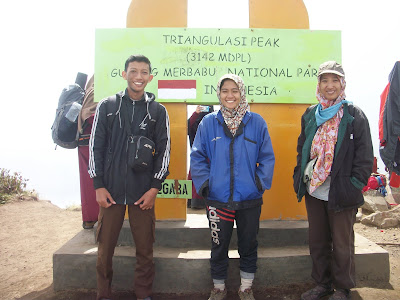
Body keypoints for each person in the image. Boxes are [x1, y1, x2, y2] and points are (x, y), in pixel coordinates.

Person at [88, 55, 171, 300]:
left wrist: (154, 187)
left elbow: (164, 151)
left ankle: (143, 294)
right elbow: (96, 147)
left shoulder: (157, 111)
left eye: (144, 72)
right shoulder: (107, 106)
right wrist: (98, 185)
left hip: (142, 192)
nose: (138, 76)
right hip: (110, 191)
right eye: (133, 71)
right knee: (104, 251)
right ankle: (103, 294)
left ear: (150, 77)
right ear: (124, 74)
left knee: (145, 250)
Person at [293, 61, 373, 300]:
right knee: (317, 241)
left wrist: (355, 184)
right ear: (318, 84)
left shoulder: (353, 115)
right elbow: (302, 149)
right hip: (315, 190)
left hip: (342, 191)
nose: (330, 86)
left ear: (342, 83)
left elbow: (365, 155)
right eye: (325, 80)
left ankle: (342, 288)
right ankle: (322, 284)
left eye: (334, 80)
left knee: (341, 243)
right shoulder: (310, 114)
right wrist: (300, 176)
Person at [190, 74, 275, 300]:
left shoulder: (256, 122)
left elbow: (267, 157)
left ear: (242, 93)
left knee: (249, 244)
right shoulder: (208, 123)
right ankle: (218, 288)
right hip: (218, 199)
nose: (230, 95)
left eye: (235, 90)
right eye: (225, 90)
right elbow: (197, 156)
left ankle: (246, 288)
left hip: (250, 199)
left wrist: (258, 182)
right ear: (218, 93)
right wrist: (206, 185)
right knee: (219, 246)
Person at [77, 75, 99, 229]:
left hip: (83, 130)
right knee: (99, 177)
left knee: (87, 177)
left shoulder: (93, 78)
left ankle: (89, 218)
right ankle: (98, 217)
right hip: (94, 128)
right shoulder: (108, 76)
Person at [187, 105, 214, 209]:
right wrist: (196, 113)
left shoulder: (216, 119)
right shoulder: (195, 120)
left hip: (212, 157)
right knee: (195, 179)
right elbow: (188, 126)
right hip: (198, 156)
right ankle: (195, 202)